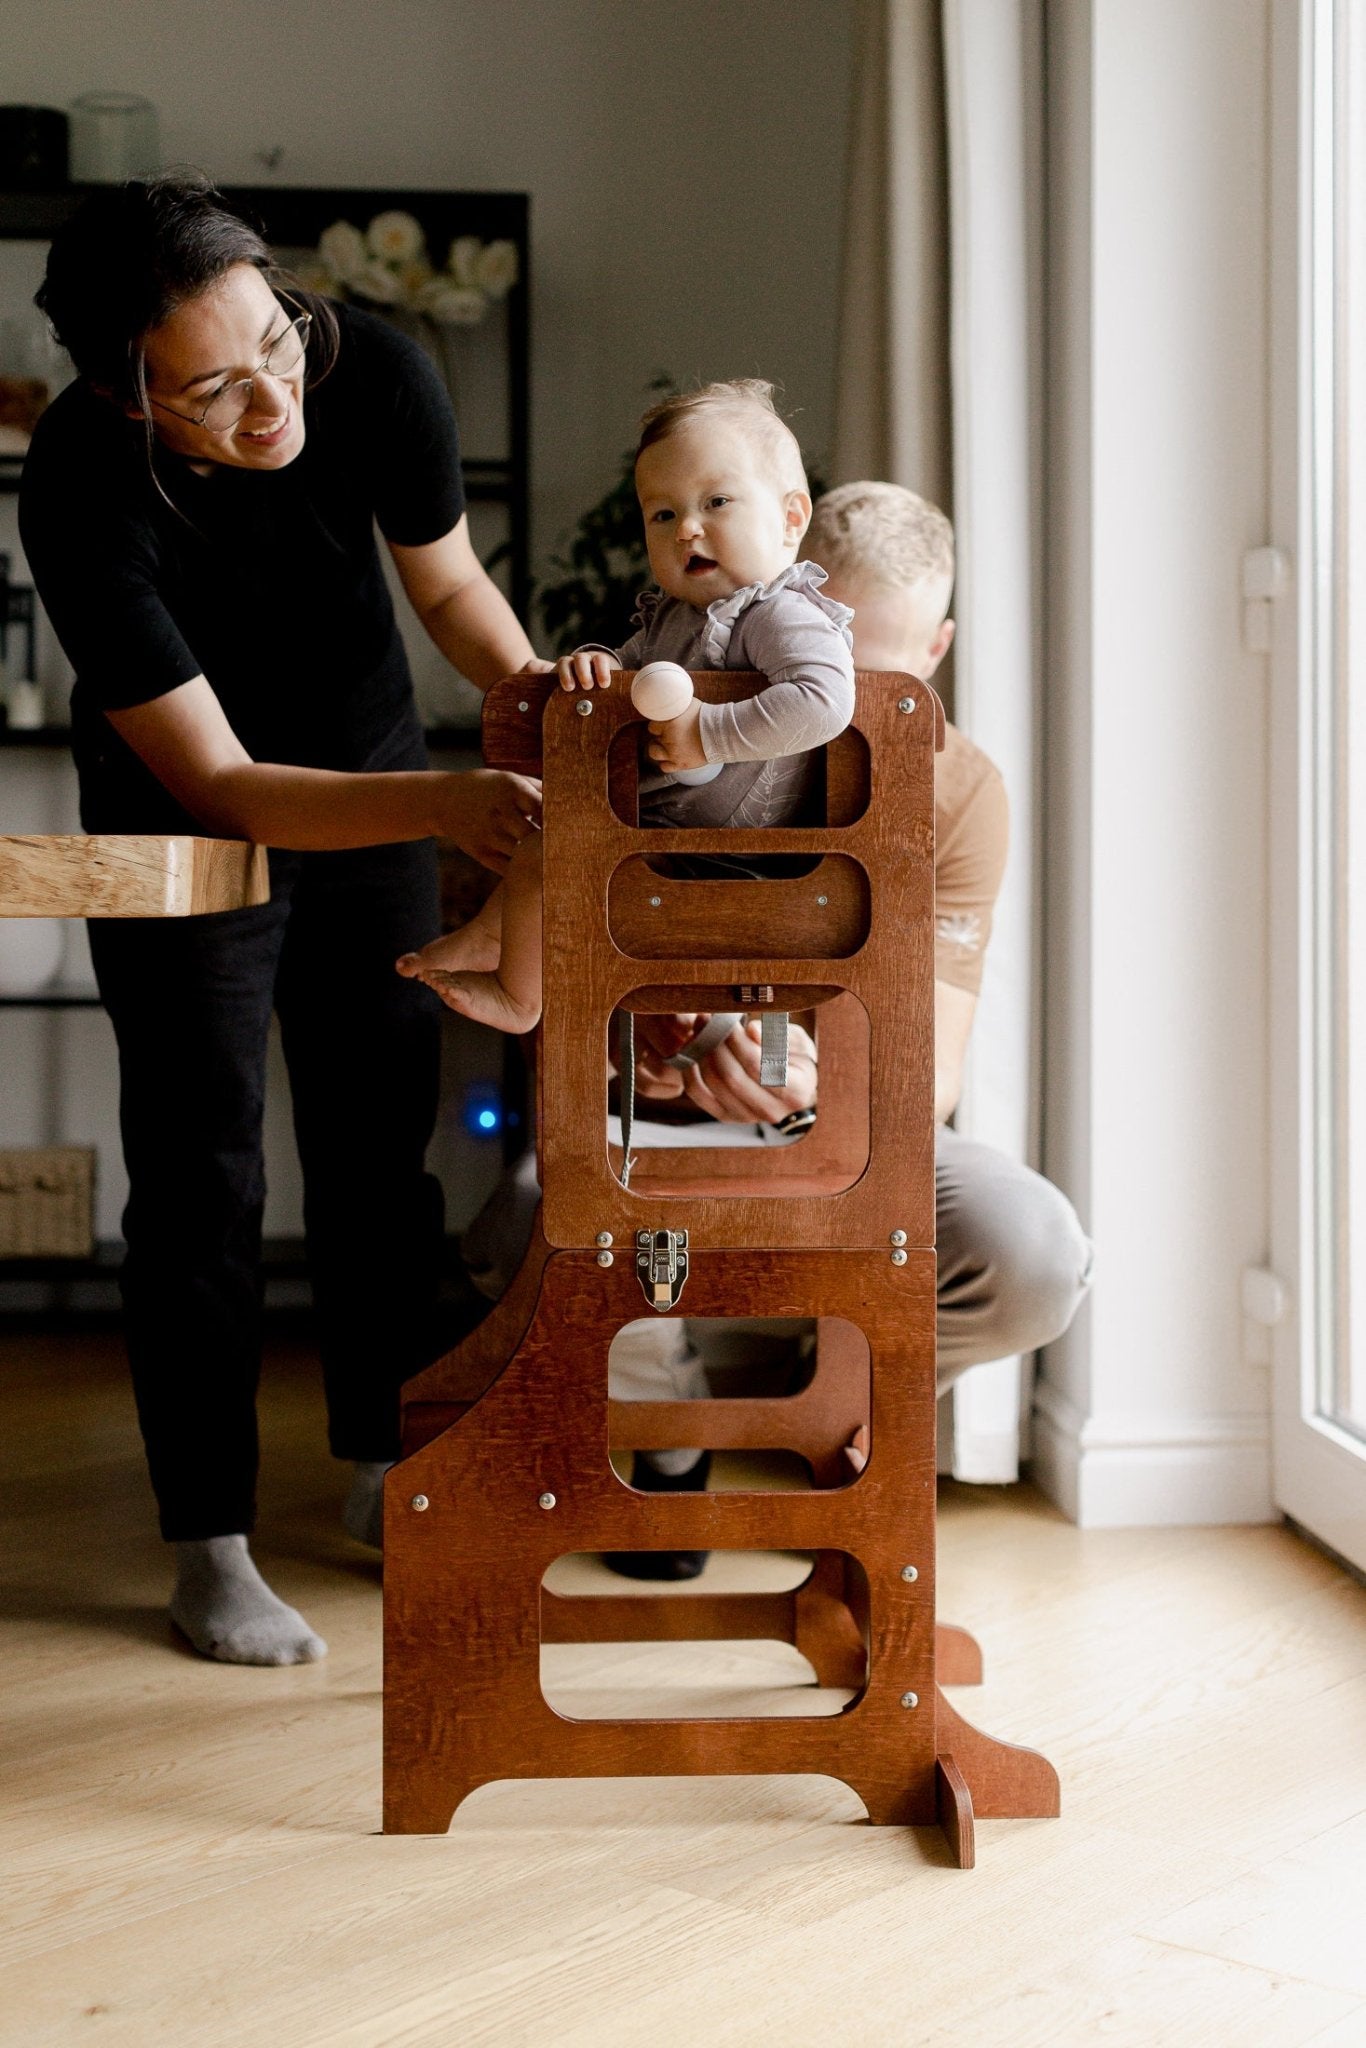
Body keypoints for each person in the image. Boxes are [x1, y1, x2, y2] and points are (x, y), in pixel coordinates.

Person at [18, 175, 545, 1665]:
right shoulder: (74, 480)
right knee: (201, 1172)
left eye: (276, 341)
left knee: (379, 1144)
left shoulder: (369, 364)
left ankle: (386, 1466)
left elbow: (446, 587)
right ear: (131, 403)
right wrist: (450, 808)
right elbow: (225, 781)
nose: (273, 401)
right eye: (214, 387)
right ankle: (209, 1542)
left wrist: (530, 724)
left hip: (374, 770)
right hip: (177, 813)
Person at [452, 480, 1093, 1580]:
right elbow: (543, 992)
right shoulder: (659, 744)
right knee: (524, 1222)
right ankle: (667, 1418)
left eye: (882, 671)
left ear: (936, 649)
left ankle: (846, 1416)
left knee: (1028, 1250)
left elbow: (928, 1074)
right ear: (765, 615)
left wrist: (800, 1073)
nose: (844, 701)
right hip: (639, 1132)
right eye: (817, 658)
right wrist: (648, 1042)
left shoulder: (960, 787)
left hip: (850, 1133)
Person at [398, 379, 855, 1031]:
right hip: (667, 835)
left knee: (555, 853)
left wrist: (710, 731)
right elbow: (625, 675)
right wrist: (600, 667)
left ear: (790, 518)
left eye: (716, 502)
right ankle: (495, 943)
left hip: (742, 859)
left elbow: (825, 702)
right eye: (662, 514)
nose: (687, 528)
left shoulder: (778, 613)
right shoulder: (673, 619)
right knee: (543, 846)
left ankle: (522, 997)